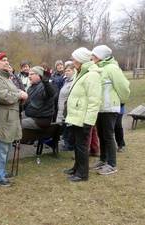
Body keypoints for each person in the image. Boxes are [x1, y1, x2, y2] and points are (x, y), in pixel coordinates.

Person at [0, 52, 28, 186]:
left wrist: (18, 95)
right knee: (1, 147)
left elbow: (11, 93)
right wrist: (19, 94)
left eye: (7, 60)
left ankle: (1, 172)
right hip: (2, 119)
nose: (6, 62)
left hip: (9, 119)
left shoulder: (5, 77)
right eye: (3, 60)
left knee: (5, 147)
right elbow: (4, 96)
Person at [91, 45, 130, 175]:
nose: (92, 57)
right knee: (101, 134)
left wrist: (120, 101)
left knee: (108, 135)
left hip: (110, 108)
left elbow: (123, 86)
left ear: (101, 56)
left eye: (95, 55)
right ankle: (103, 159)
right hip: (99, 108)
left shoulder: (112, 68)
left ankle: (112, 164)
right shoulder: (97, 68)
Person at [64, 47, 102, 182]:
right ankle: (76, 168)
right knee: (77, 145)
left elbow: (94, 101)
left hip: (83, 118)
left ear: (80, 60)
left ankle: (82, 174)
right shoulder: (80, 73)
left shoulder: (92, 75)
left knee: (82, 146)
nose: (72, 61)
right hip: (75, 116)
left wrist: (89, 121)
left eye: (74, 58)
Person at [56, 63, 76, 151]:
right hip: (62, 108)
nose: (66, 72)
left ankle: (70, 146)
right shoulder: (66, 81)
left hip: (68, 109)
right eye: (66, 71)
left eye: (69, 70)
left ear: (74, 71)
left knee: (69, 128)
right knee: (65, 127)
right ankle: (66, 144)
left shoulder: (74, 81)